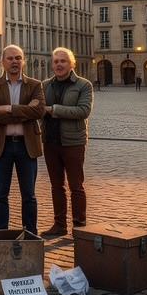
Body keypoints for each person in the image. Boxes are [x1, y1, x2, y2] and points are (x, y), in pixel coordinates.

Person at [0, 45, 46, 236]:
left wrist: (9, 109)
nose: (14, 62)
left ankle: (30, 233)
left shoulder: (34, 85)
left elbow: (39, 111)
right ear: (2, 62)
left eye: (18, 58)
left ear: (23, 61)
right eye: (10, 58)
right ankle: (0, 234)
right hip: (2, 146)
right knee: (1, 194)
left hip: (27, 146)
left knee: (29, 195)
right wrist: (24, 111)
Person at [41, 48, 93, 239]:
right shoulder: (45, 85)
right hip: (50, 142)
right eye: (56, 61)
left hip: (73, 142)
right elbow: (39, 110)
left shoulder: (83, 85)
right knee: (56, 186)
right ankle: (59, 225)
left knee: (76, 185)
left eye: (63, 61)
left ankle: (79, 226)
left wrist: (53, 109)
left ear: (72, 64)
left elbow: (83, 111)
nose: (59, 65)